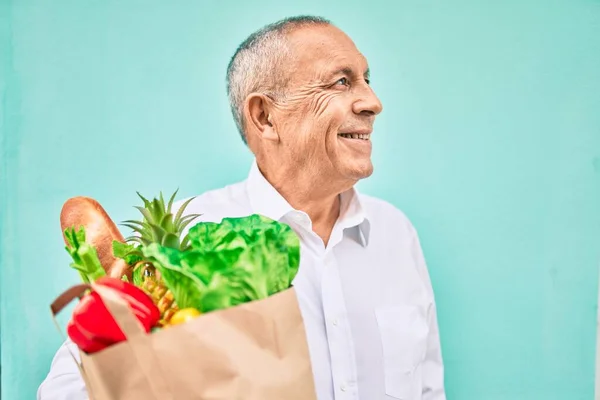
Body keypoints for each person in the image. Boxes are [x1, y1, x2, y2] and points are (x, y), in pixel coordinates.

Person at [38, 15, 446, 400]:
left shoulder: (395, 232)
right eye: (341, 82)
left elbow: (429, 388)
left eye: (366, 80)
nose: (373, 102)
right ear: (265, 116)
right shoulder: (175, 245)